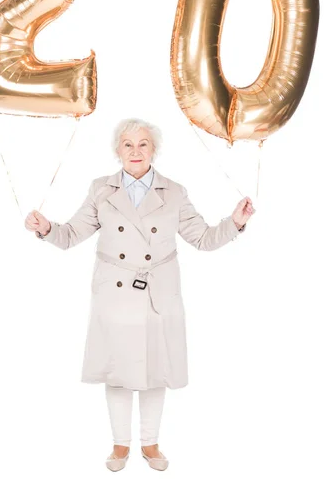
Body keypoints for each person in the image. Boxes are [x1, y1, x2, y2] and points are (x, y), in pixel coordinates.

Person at [24, 118, 255, 472]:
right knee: (117, 371)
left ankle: (150, 443)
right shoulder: (100, 189)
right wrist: (46, 229)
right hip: (114, 296)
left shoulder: (174, 192)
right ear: (118, 151)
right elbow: (70, 235)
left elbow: (203, 239)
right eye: (128, 144)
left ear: (154, 150)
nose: (135, 151)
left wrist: (235, 222)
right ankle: (119, 446)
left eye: (143, 144)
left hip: (157, 295)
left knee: (154, 370)